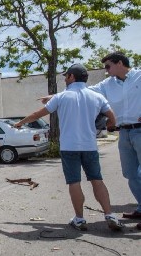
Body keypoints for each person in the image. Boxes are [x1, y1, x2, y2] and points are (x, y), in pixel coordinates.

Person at [15, 63, 123, 231]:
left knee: (74, 182)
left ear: (72, 77)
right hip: (90, 146)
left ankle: (79, 219)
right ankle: (109, 214)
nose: (65, 78)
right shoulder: (97, 97)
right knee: (97, 180)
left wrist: (20, 123)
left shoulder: (61, 97)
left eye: (66, 76)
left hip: (69, 147)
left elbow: (38, 114)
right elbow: (112, 117)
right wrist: (109, 126)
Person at [41, 52, 140, 227]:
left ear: (119, 63)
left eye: (108, 66)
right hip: (124, 133)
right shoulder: (107, 84)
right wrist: (54, 97)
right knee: (131, 173)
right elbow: (83, 91)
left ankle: (80, 217)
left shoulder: (139, 76)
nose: (106, 71)